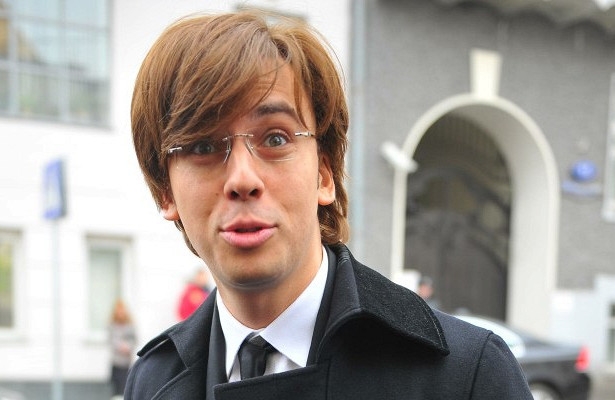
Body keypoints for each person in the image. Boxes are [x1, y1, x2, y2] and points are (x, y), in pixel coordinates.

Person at [125, 10, 532, 399]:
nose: (243, 179)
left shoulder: (467, 376)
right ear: (165, 191)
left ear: (325, 173)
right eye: (203, 146)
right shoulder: (151, 380)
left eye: (276, 139)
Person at [109, 299, 136, 398]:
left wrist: (127, 346)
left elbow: (134, 339)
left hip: (126, 363)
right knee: (116, 390)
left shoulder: (130, 325)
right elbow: (111, 340)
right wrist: (120, 346)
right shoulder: (112, 325)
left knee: (125, 388)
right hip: (116, 362)